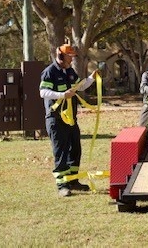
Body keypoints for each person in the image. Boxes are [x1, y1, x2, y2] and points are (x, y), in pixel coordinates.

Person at [39, 44, 98, 198]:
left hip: (71, 119)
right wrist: (62, 95)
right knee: (61, 152)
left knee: (75, 149)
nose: (72, 59)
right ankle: (62, 185)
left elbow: (80, 86)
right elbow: (43, 92)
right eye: (69, 56)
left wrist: (92, 78)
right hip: (56, 119)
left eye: (72, 57)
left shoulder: (70, 71)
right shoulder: (49, 72)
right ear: (60, 56)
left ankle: (73, 181)